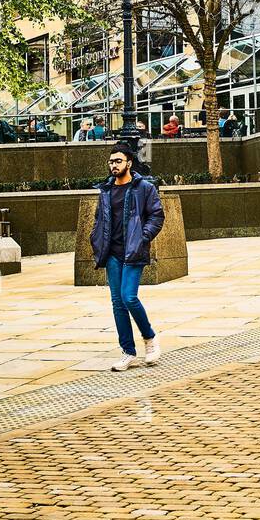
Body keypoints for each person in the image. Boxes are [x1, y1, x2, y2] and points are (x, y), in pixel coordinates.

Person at [90, 143, 164, 371]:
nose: (114, 165)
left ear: (129, 163)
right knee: (118, 304)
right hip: (111, 253)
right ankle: (128, 352)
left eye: (118, 161)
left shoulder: (144, 188)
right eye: (111, 162)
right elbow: (98, 220)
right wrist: (96, 239)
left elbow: (157, 215)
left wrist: (143, 237)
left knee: (129, 297)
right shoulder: (106, 190)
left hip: (134, 251)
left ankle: (150, 338)